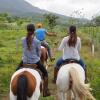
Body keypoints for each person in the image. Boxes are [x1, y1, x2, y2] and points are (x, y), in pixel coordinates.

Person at [17, 24, 51, 97]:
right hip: (35, 61)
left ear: (27, 30)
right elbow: (38, 54)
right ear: (34, 31)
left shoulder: (22, 39)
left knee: (16, 72)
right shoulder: (37, 41)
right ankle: (45, 91)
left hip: (24, 61)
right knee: (45, 73)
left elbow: (24, 48)